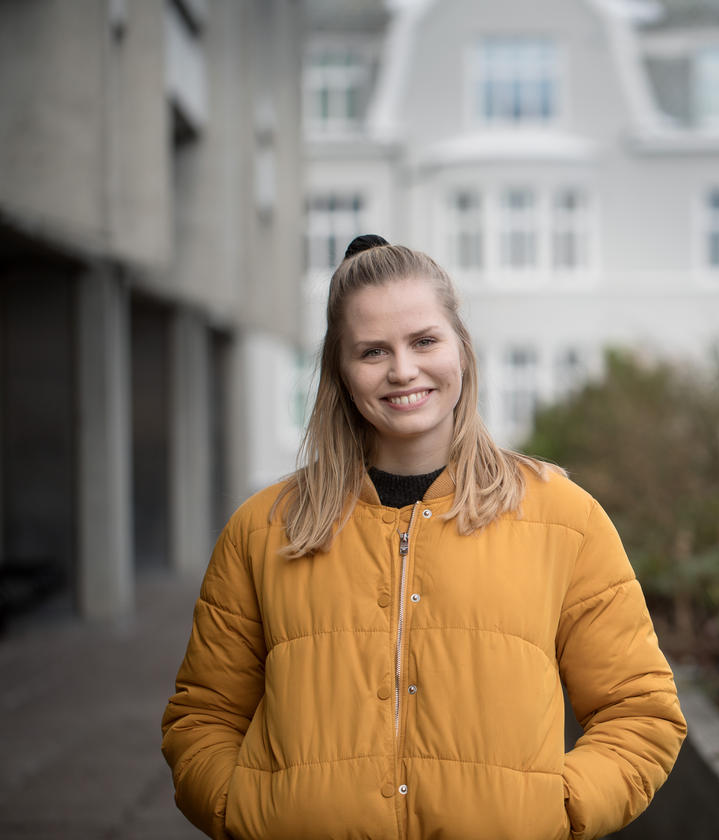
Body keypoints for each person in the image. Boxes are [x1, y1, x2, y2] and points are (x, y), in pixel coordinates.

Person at [161, 235, 687, 840]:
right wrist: (240, 811)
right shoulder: (264, 527)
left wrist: (556, 812)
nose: (403, 370)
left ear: (460, 348)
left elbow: (640, 712)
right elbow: (202, 715)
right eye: (373, 351)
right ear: (341, 369)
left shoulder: (564, 519)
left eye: (424, 341)